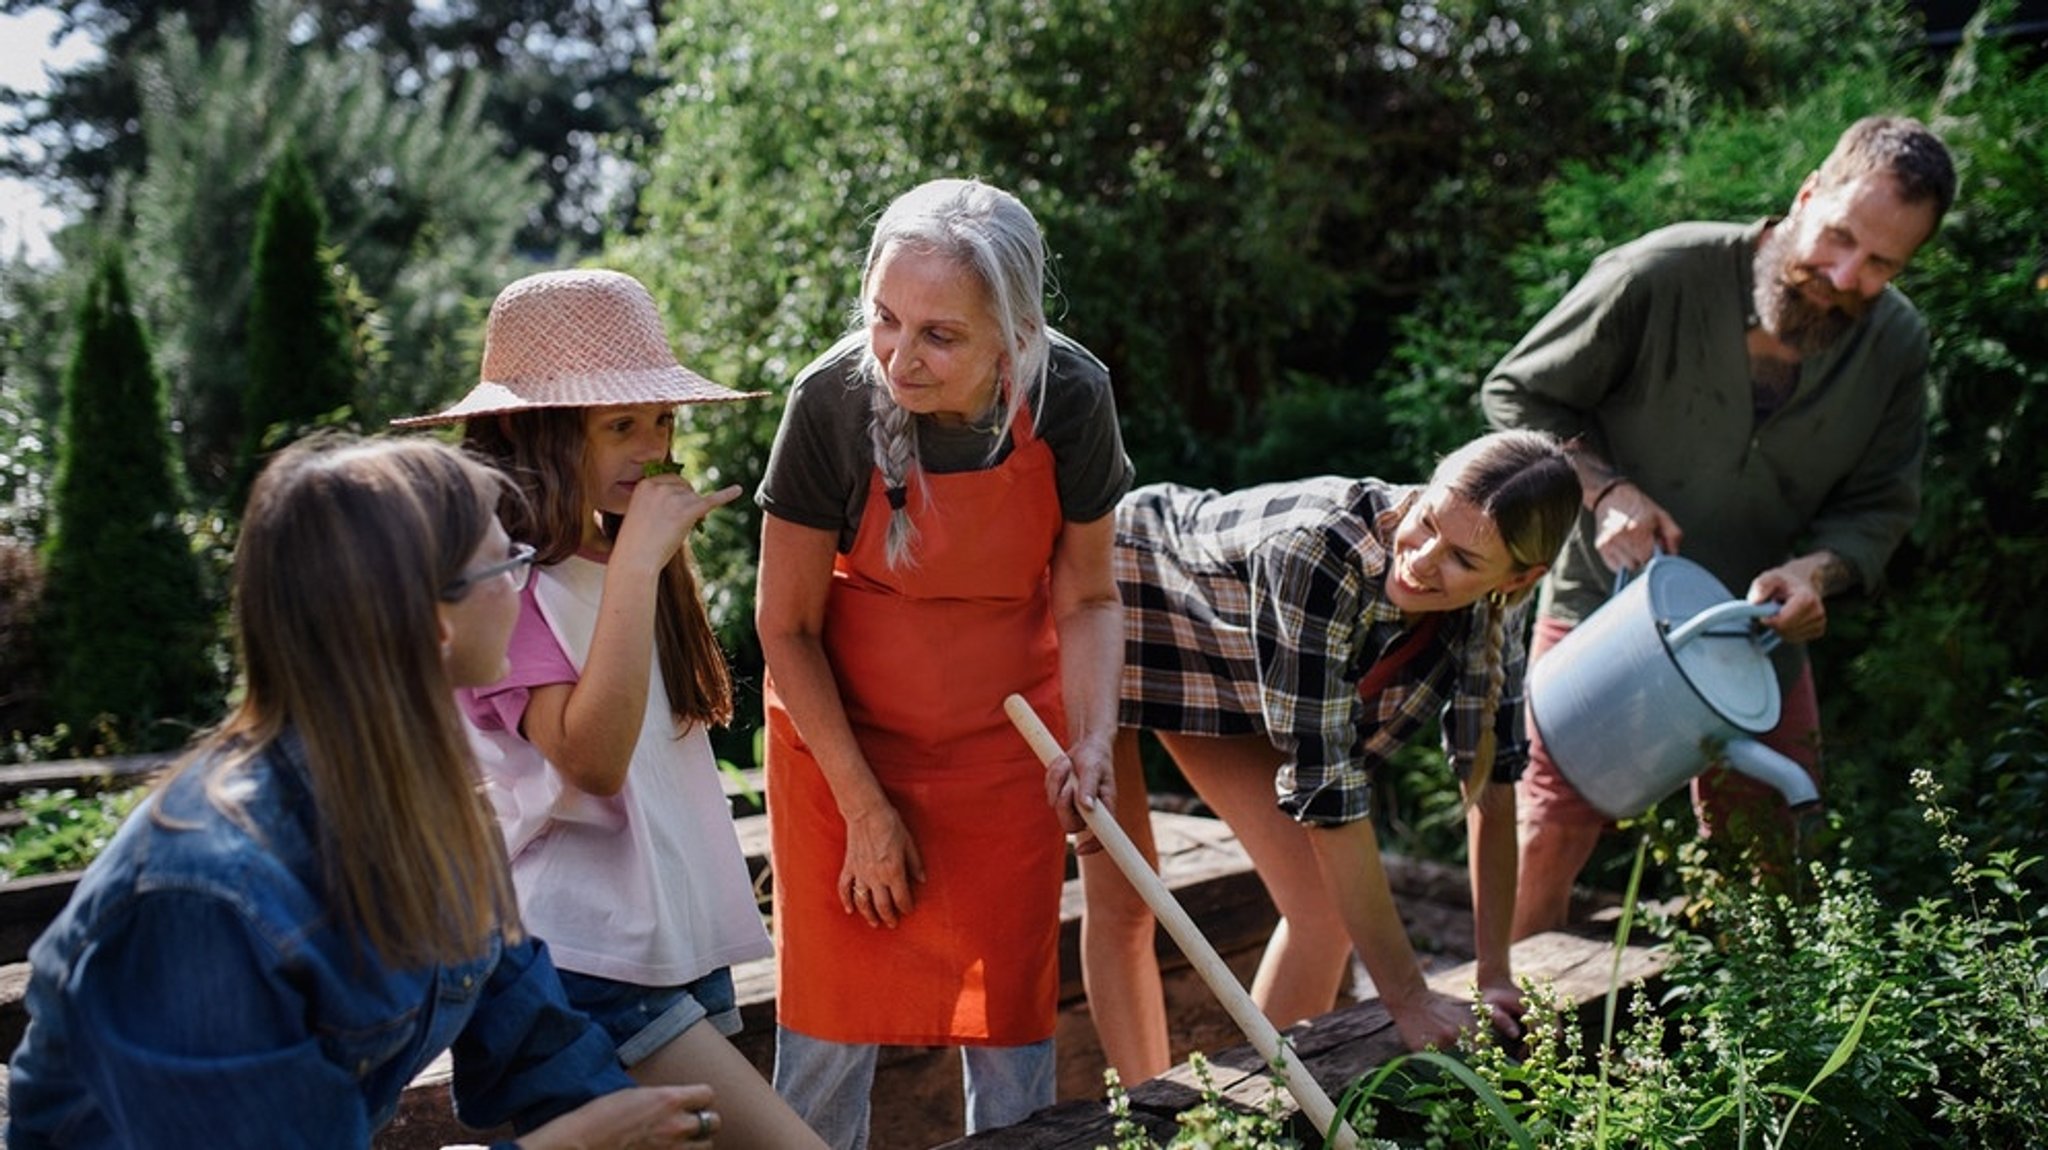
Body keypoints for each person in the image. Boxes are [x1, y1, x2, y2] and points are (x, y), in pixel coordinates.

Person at [5, 434, 720, 1148]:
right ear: (435, 624)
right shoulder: (207, 892)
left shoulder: (432, 808)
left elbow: (540, 1045)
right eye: (506, 560)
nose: (522, 580)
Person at [1482, 116, 1958, 939]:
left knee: (1771, 843)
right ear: (1808, 193)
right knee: (1550, 828)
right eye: (1840, 236)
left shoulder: (1899, 345)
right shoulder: (1663, 272)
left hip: (1758, 635)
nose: (1846, 276)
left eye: (1882, 263)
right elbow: (1520, 395)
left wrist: (1819, 571)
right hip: (1606, 604)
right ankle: (1509, 1046)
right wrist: (1604, 489)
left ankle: (1760, 1038)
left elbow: (1881, 504)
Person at [394, 269, 826, 1150]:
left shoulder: (616, 556)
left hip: (661, 940)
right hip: (579, 958)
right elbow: (588, 759)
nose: (651, 445)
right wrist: (638, 565)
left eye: (661, 420)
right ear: (532, 431)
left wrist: (635, 563)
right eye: (618, 425)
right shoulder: (507, 584)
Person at [754, 177, 1131, 1148]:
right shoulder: (828, 403)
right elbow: (784, 626)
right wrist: (863, 808)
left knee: (1008, 1026)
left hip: (1006, 750)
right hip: (843, 749)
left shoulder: (1072, 398)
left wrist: (1089, 740)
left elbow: (1086, 594)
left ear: (1013, 335)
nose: (899, 357)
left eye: (939, 335)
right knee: (828, 1038)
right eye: (885, 319)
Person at [1081, 429, 1581, 1080]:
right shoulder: (1316, 552)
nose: (1424, 560)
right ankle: (1144, 1120)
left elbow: (1490, 779)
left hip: (1229, 671)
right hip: (1122, 589)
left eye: (1461, 558)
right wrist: (1408, 995)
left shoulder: (1495, 608)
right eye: (1426, 522)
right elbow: (1328, 796)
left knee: (1320, 913)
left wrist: (1494, 973)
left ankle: (1262, 1114)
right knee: (1126, 896)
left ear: (1521, 578)